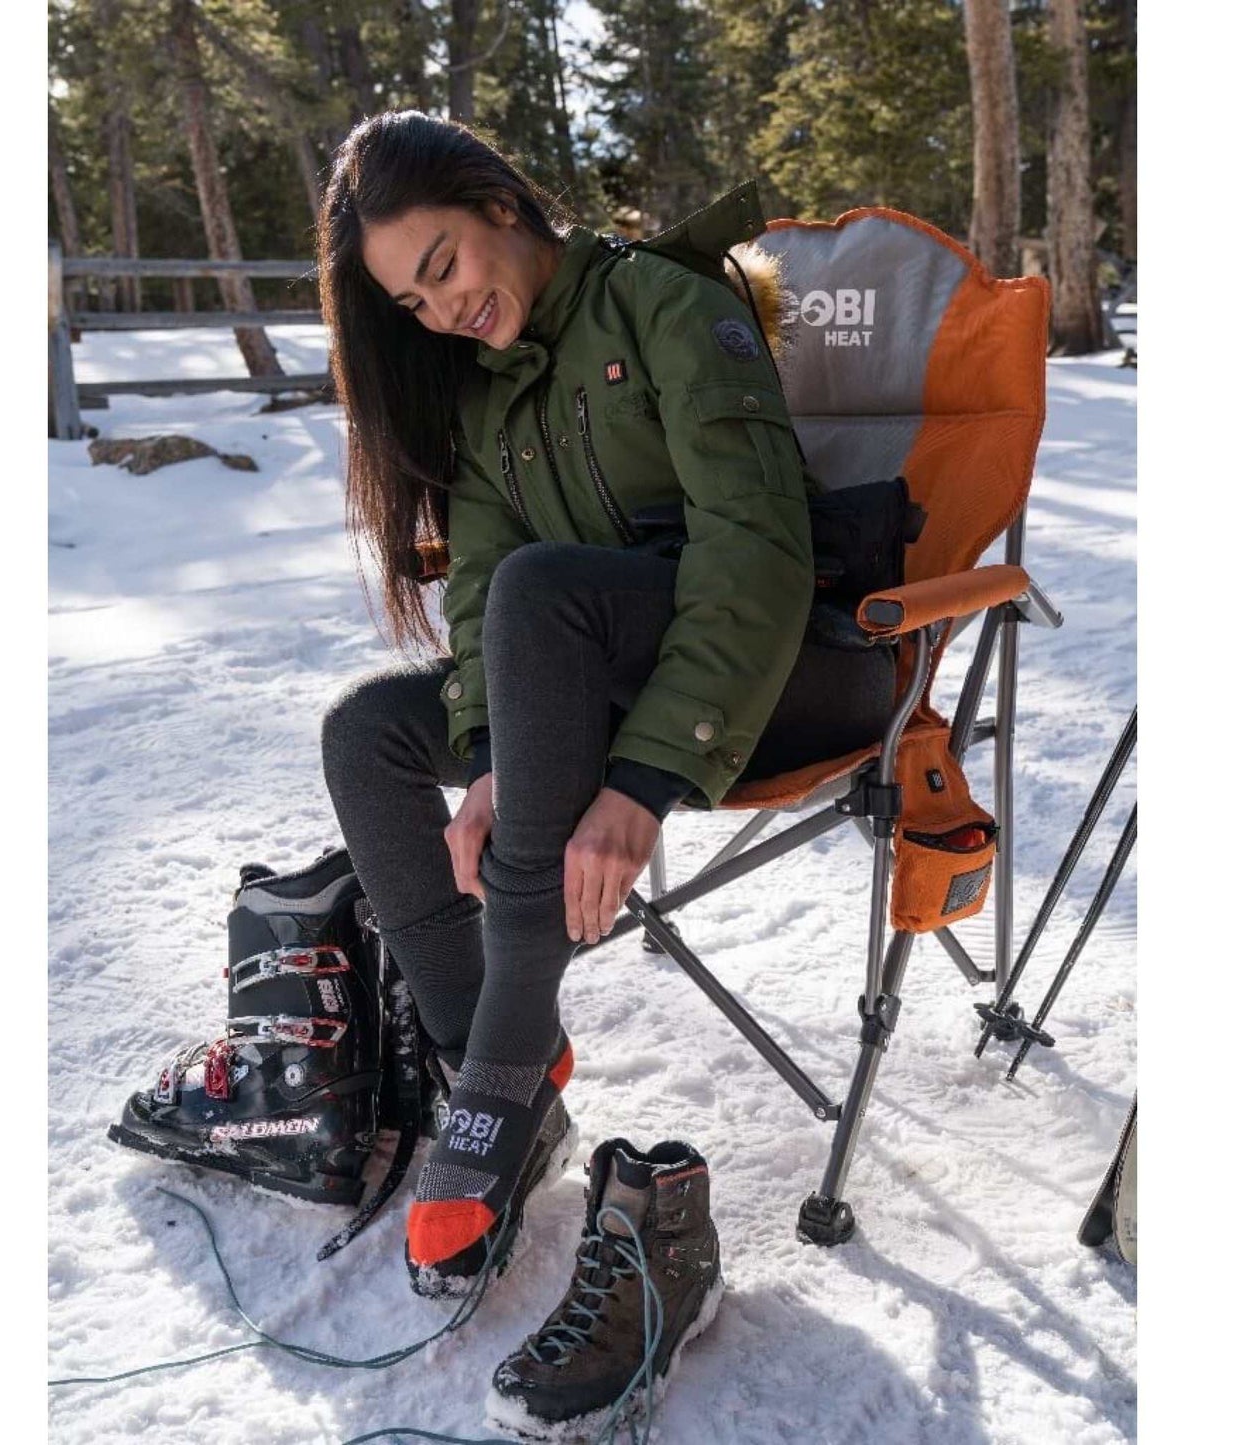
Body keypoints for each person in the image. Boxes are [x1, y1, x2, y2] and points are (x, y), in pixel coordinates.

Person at [316, 110, 894, 1427]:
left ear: (503, 201)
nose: (448, 308)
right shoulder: (487, 393)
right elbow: (477, 610)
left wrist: (636, 782)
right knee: (368, 727)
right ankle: (501, 1063)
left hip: (797, 664)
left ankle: (497, 1082)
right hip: (600, 663)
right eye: (414, 299)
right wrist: (484, 757)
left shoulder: (665, 306)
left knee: (543, 587)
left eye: (449, 263)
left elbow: (754, 554)